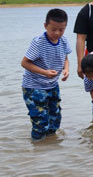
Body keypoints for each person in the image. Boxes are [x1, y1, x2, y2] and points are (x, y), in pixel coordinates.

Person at [21, 8, 71, 140]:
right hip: (34, 86)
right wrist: (45, 72)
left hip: (52, 85)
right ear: (45, 26)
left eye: (61, 30)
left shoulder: (64, 41)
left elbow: (65, 58)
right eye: (53, 29)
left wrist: (66, 70)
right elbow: (25, 63)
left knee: (55, 118)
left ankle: (49, 151)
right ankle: (37, 146)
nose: (57, 33)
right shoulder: (38, 42)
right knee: (40, 122)